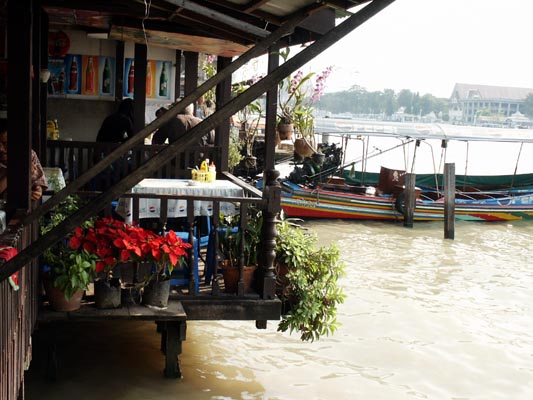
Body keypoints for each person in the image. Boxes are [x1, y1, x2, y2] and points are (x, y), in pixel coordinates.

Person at [0, 119, 48, 201]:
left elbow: (38, 180)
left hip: (21, 205)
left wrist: (38, 190)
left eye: (5, 144)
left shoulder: (28, 155)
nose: (0, 149)